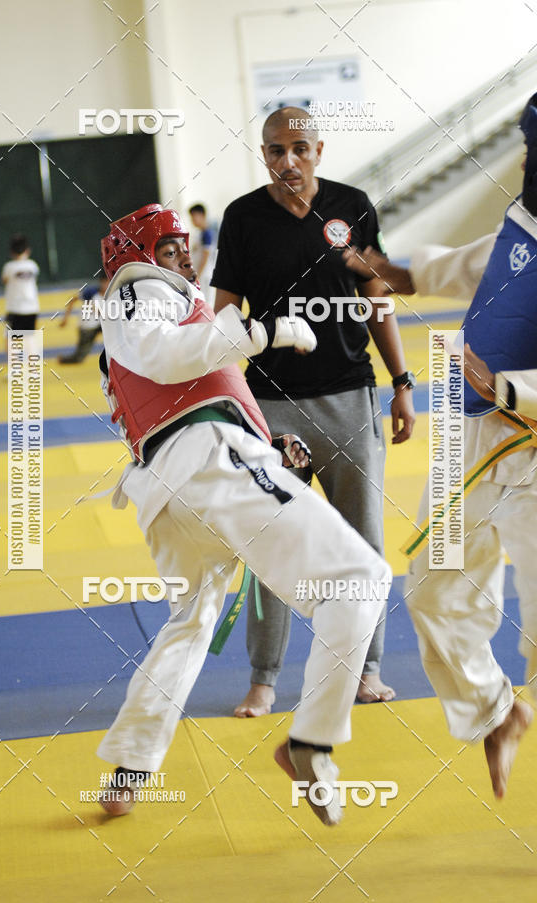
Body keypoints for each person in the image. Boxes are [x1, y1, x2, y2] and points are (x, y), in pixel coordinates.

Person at [95, 203, 392, 825]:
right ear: (139, 252)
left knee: (191, 622)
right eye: (170, 242)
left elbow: (196, 383)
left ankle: (130, 763)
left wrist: (269, 446)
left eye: (185, 242)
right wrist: (263, 331)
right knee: (362, 578)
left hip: (179, 482)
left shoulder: (155, 303)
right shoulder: (141, 291)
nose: (185, 252)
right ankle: (311, 739)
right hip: (208, 462)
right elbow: (168, 357)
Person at [343, 91, 537, 798]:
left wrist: (509, 387)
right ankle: (495, 711)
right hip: (470, 443)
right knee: (430, 589)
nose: (524, 160)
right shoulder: (522, 227)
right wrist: (381, 265)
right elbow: (462, 265)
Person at [211, 106, 415, 715]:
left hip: (351, 396)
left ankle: (364, 667)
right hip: (270, 405)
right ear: (264, 154)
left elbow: (378, 299)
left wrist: (403, 382)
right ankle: (265, 676)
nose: (288, 160)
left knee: (363, 542)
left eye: (300, 148)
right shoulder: (243, 218)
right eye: (276, 150)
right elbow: (223, 317)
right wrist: (223, 400)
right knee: (273, 542)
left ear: (319, 150)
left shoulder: (353, 207)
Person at [58, 276, 109, 363]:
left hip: (100, 324)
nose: (107, 285)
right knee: (78, 358)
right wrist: (65, 318)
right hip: (87, 327)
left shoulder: (112, 293)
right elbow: (73, 299)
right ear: (101, 282)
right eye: (105, 282)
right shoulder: (91, 293)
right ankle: (63, 359)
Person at [1, 233, 40, 331]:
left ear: (11, 252)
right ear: (28, 250)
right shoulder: (33, 265)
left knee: (14, 341)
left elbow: (4, 280)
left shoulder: (9, 267)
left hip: (15, 308)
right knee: (30, 338)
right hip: (32, 307)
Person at [188, 203, 217, 298]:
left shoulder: (207, 234)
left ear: (202, 215)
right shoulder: (200, 234)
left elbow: (206, 255)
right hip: (201, 274)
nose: (192, 220)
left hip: (205, 275)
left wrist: (198, 275)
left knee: (207, 302)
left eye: (194, 217)